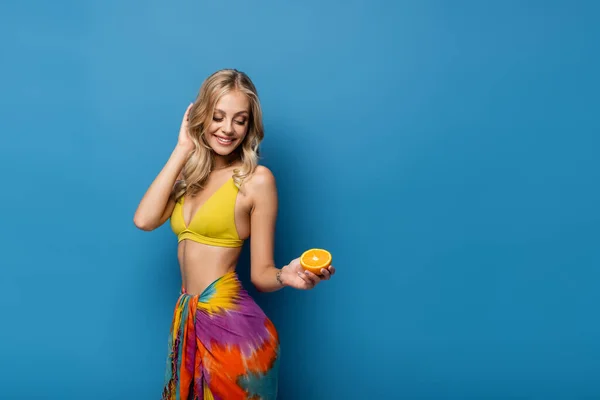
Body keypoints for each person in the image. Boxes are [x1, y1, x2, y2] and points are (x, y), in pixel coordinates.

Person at [133, 69, 336, 400]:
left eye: (239, 120)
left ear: (250, 126)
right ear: (201, 117)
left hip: (233, 332)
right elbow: (144, 219)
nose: (227, 129)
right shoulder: (190, 177)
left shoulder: (256, 181)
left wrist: (287, 274)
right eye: (217, 116)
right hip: (188, 322)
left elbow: (261, 275)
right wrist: (183, 148)